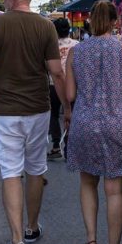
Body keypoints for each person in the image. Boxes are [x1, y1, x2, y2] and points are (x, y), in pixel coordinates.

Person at [0, 0, 69, 244]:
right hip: (39, 107)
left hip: (6, 109)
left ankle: (17, 241)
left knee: (10, 171)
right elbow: (56, 71)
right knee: (35, 168)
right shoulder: (45, 26)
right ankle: (31, 227)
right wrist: (66, 107)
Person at [64, 0, 122, 244]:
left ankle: (91, 240)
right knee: (114, 191)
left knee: (87, 183)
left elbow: (70, 95)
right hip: (118, 123)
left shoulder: (76, 52)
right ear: (115, 21)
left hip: (84, 123)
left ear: (90, 21)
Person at [48, 17, 77, 159]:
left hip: (53, 85)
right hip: (72, 85)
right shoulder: (77, 45)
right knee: (71, 114)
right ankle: (69, 145)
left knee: (53, 114)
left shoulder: (49, 46)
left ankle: (55, 145)